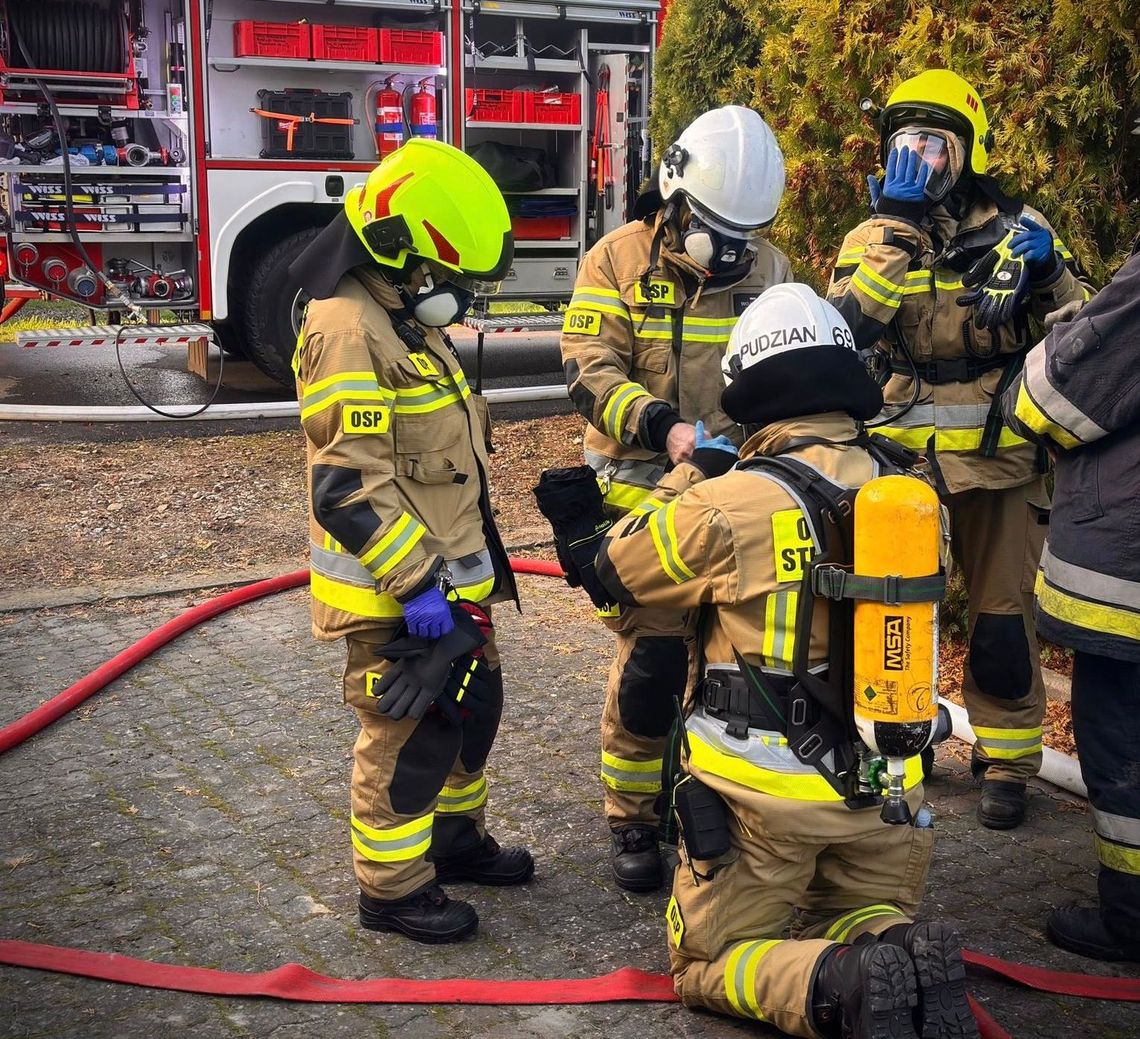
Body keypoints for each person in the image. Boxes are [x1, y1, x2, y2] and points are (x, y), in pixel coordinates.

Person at [594, 283, 977, 1039]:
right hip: (887, 791)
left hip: (763, 802)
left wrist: (693, 470)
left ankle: (846, 985)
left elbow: (617, 567)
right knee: (856, 913)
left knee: (709, 960)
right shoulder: (908, 490)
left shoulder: (732, 502)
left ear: (752, 390)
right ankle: (887, 945)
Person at [828, 69, 1095, 829]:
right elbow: (850, 330)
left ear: (969, 152)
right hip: (896, 459)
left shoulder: (1019, 226)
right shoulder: (872, 235)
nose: (923, 161)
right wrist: (898, 232)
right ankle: (897, 743)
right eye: (907, 145)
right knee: (887, 610)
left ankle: (1007, 762)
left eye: (937, 146)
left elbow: (1081, 333)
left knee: (1005, 617)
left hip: (1000, 455)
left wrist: (1046, 272)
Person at [289, 139, 534, 944]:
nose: (451, 293)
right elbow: (348, 487)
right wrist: (418, 586)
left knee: (474, 709)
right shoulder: (348, 328)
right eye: (441, 273)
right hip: (395, 593)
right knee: (410, 731)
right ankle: (391, 888)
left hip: (451, 585)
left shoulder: (399, 314)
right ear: (397, 247)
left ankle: (453, 841)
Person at [560, 105, 794, 891]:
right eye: (716, 230)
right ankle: (631, 816)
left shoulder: (772, 270)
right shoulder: (616, 261)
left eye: (746, 236)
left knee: (737, 663)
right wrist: (663, 427)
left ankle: (714, 799)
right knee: (653, 661)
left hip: (734, 499)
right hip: (639, 497)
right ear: (676, 197)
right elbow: (588, 369)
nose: (731, 253)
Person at [1001, 242, 1140, 962]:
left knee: (1121, 745)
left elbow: (1048, 398)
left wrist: (1064, 321)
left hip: (1129, 575)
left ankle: (1131, 917)